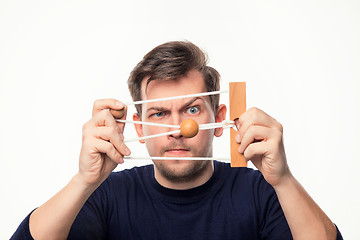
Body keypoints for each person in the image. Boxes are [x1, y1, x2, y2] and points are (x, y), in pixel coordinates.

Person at [12, 41, 342, 240]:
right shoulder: (107, 196)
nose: (176, 128)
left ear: (219, 118)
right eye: (158, 114)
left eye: (192, 109)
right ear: (138, 127)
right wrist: (83, 181)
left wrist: (283, 180)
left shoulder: (260, 191)